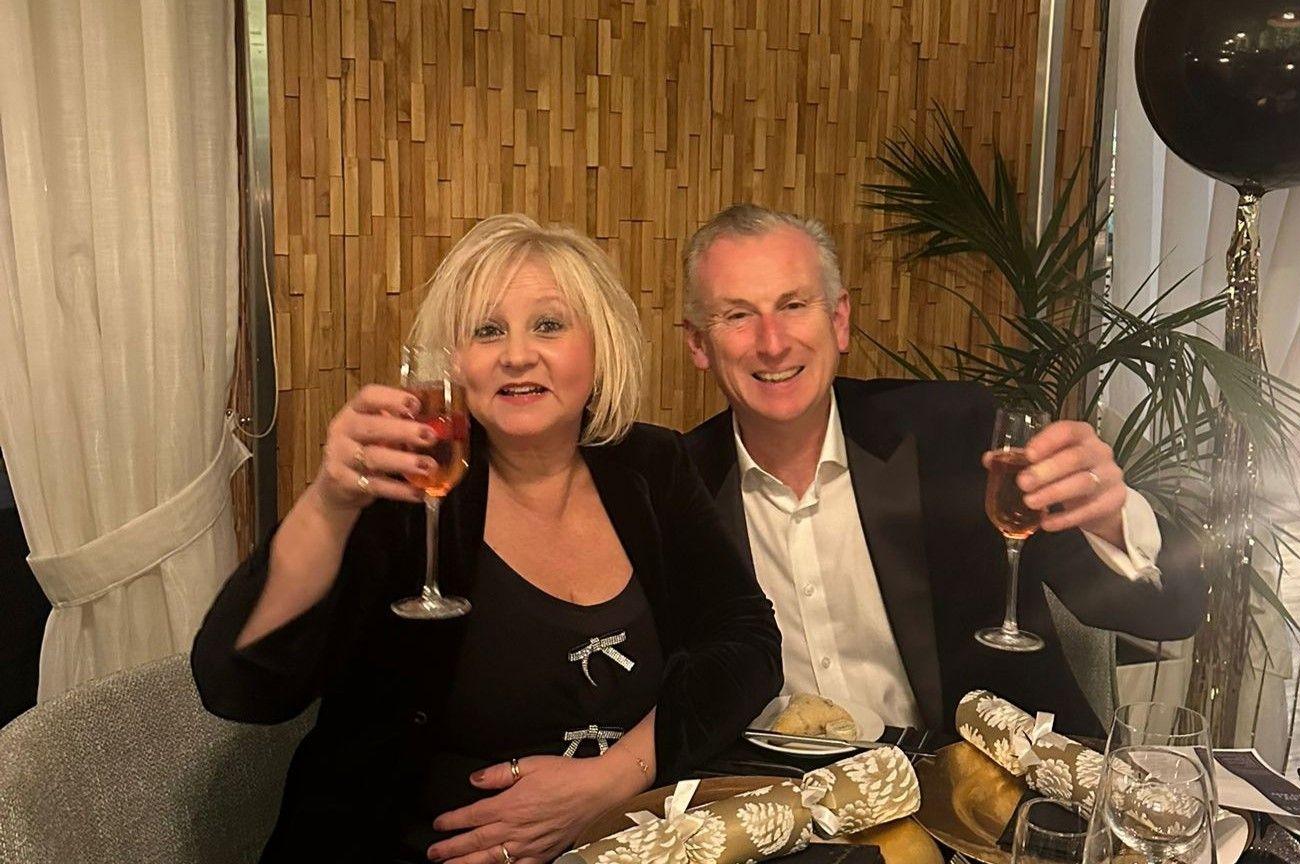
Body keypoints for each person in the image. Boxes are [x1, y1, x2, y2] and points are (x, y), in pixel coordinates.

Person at [193, 214, 782, 864]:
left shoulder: (649, 465)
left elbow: (747, 642)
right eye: (487, 330)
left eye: (549, 325)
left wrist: (610, 780)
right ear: (455, 362)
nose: (517, 354)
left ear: (600, 342)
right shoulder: (413, 489)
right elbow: (240, 687)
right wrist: (331, 501)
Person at [680, 204, 1206, 738]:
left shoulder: (956, 438)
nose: (772, 343)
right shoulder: (676, 487)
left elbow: (1168, 615)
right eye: (738, 315)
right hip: (772, 795)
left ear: (839, 320)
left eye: (793, 305)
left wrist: (1112, 520)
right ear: (699, 343)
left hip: (977, 792)